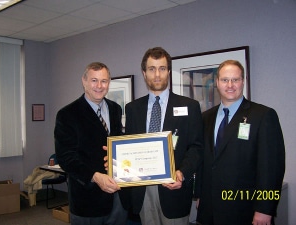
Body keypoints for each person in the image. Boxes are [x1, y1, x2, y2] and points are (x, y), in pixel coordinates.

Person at [196, 60, 285, 225]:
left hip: (246, 210)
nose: (230, 85)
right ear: (217, 83)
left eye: (235, 79)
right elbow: (205, 162)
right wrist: (201, 196)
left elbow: (271, 168)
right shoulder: (205, 117)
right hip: (211, 210)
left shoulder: (263, 115)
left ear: (243, 81)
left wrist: (265, 209)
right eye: (224, 80)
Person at [124, 47, 204, 225]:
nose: (157, 75)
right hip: (142, 189)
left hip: (174, 187)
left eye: (162, 68)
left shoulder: (189, 106)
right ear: (144, 73)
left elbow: (196, 147)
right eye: (152, 69)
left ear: (168, 71)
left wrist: (182, 173)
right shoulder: (132, 109)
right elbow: (129, 147)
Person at [54, 62, 127, 225]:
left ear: (109, 82)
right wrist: (94, 177)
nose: (99, 86)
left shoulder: (115, 109)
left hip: (117, 197)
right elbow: (66, 158)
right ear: (84, 81)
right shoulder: (67, 114)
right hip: (87, 199)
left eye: (104, 81)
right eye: (94, 80)